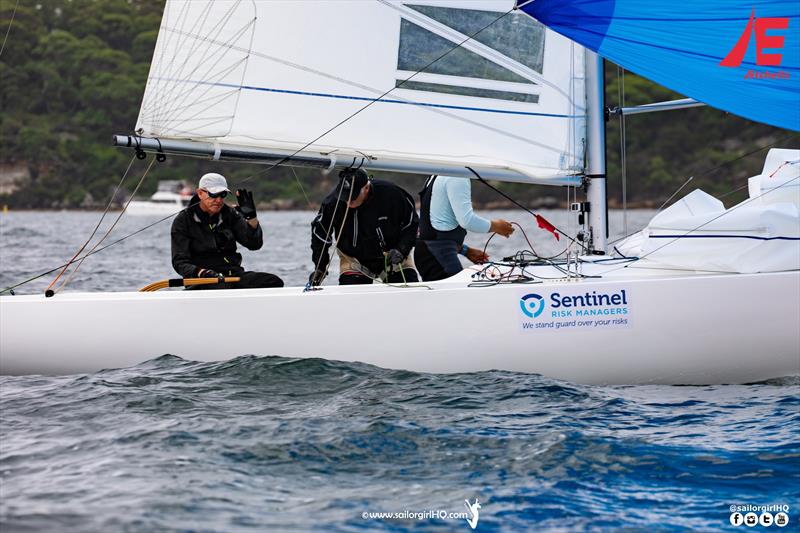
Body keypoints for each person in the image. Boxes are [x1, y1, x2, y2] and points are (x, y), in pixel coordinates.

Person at [171, 173, 284, 289]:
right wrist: (201, 272)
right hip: (202, 281)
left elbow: (254, 245)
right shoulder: (183, 220)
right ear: (200, 193)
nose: (218, 200)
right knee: (222, 286)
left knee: (273, 281)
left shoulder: (230, 214)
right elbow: (179, 262)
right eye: (213, 194)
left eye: (222, 195)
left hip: (233, 276)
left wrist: (252, 219)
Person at [309, 168, 419, 286]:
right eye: (345, 196)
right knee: (351, 299)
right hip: (354, 260)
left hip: (393, 256)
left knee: (409, 289)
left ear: (366, 188)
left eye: (353, 196)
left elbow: (411, 223)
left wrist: (402, 249)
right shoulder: (333, 203)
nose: (348, 200)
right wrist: (320, 267)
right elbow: (320, 234)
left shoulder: (392, 194)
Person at [414, 174, 514, 281]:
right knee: (456, 295)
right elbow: (467, 221)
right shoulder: (456, 176)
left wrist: (465, 250)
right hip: (437, 255)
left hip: (429, 252)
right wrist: (497, 226)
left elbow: (438, 224)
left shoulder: (438, 175)